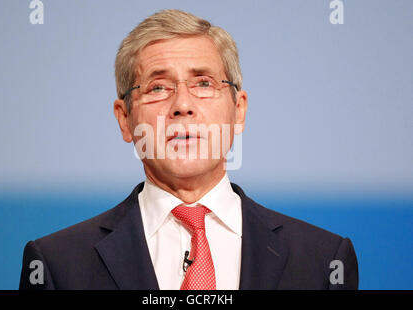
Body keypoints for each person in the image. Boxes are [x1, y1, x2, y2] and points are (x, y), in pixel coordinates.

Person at [19, 9, 358, 290]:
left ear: (239, 110)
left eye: (203, 83)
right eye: (157, 87)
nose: (182, 104)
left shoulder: (323, 261)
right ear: (125, 119)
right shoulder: (57, 264)